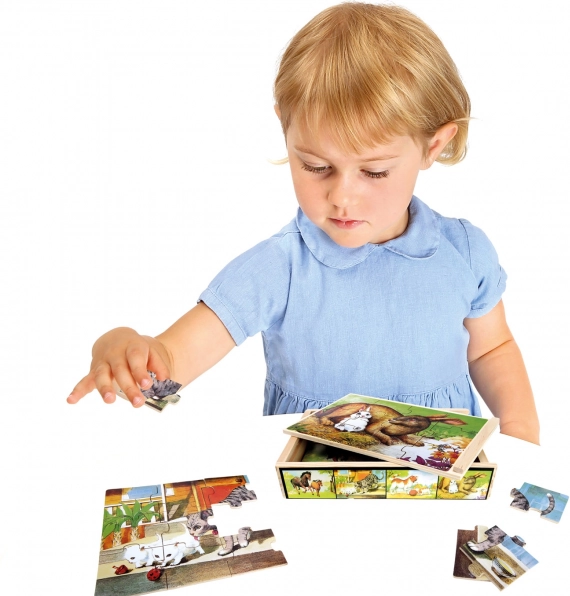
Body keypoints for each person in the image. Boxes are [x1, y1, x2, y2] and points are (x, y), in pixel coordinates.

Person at [67, 3, 539, 444]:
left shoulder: (464, 252)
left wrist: (520, 430)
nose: (341, 196)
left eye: (374, 172)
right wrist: (125, 350)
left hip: (442, 476)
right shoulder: (279, 267)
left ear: (433, 147)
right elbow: (170, 366)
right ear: (285, 130)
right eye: (316, 166)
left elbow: (490, 349)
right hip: (312, 483)